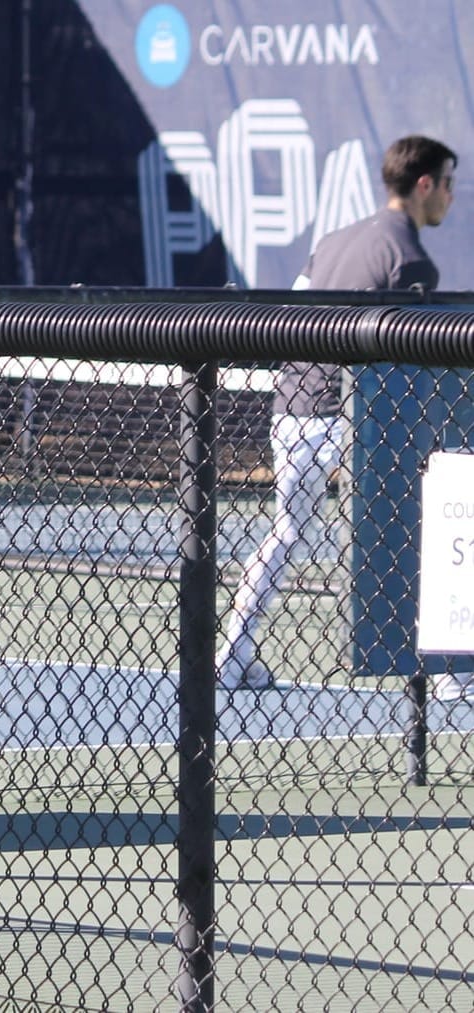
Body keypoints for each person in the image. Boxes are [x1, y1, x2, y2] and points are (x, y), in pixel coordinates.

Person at [217, 134, 462, 698]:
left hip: (291, 410)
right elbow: (404, 368)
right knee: (425, 529)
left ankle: (230, 657)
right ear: (423, 184)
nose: (451, 195)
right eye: (448, 183)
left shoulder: (331, 241)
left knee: (287, 531)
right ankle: (447, 674)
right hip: (351, 419)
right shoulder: (411, 260)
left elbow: (291, 318)